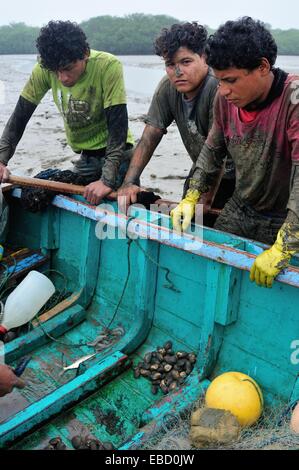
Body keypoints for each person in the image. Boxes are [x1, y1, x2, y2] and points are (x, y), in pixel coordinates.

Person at [171, 17, 299, 287]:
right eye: (218, 81)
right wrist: (191, 195)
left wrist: (284, 246)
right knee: (212, 270)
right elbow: (212, 151)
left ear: (263, 67)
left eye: (231, 80)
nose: (224, 91)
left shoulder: (294, 99)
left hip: (286, 215)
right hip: (242, 207)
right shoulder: (224, 99)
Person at [0, 20, 134, 205]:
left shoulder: (107, 66)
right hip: (86, 156)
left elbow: (118, 127)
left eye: (68, 69)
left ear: (85, 54)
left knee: (120, 207)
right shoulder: (44, 69)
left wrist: (107, 180)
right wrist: (1, 160)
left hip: (119, 155)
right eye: (56, 71)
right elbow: (19, 118)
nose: (62, 78)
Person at [118, 22, 235, 213]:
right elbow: (149, 137)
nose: (178, 72)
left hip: (234, 175)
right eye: (170, 65)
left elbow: (217, 153)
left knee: (206, 222)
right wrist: (129, 182)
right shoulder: (168, 87)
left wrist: (203, 201)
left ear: (204, 58)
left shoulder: (218, 88)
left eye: (186, 62)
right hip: (201, 168)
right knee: (182, 218)